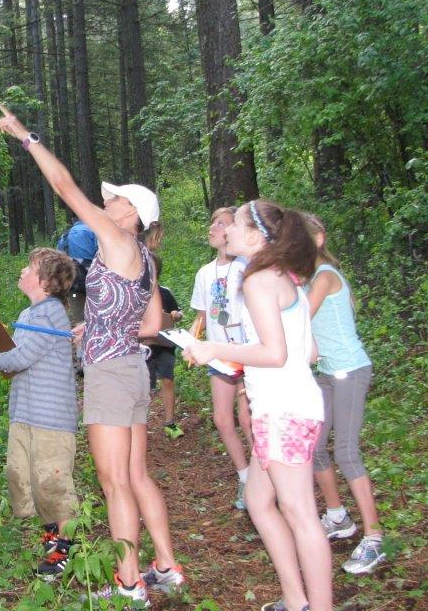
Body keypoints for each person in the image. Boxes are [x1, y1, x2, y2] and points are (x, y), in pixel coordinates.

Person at [0, 105, 184, 607]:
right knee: (138, 475)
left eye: (115, 199)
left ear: (130, 214)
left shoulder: (115, 237)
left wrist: (26, 137)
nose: (108, 202)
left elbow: (65, 187)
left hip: (108, 375)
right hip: (134, 370)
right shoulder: (145, 258)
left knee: (114, 481)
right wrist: (96, 327)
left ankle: (128, 585)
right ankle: (166, 566)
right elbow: (148, 327)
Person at [184, 200, 332, 611]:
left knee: (300, 513)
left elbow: (276, 353)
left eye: (234, 225)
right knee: (258, 501)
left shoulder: (258, 281)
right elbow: (310, 351)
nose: (226, 230)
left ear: (254, 236)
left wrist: (215, 346)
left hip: (284, 411)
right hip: (285, 405)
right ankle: (295, 598)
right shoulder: (283, 277)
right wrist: (234, 358)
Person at [0, 248, 80, 581]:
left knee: (52, 481)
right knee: (23, 476)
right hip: (24, 411)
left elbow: (17, 358)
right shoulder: (29, 313)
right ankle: (51, 537)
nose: (22, 270)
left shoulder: (50, 313)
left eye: (30, 266)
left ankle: (63, 549)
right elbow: (16, 358)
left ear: (44, 280)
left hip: (50, 416)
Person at [304, 213, 386, 575]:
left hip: (350, 371)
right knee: (315, 447)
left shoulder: (324, 277)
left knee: (346, 451)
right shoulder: (308, 279)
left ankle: (374, 537)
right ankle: (338, 517)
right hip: (325, 372)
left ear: (318, 239)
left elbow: (299, 318)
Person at [189, 207, 253, 509]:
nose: (213, 227)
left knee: (248, 418)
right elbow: (201, 316)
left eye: (222, 223)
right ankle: (245, 476)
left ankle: (268, 476)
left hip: (249, 353)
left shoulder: (246, 266)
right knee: (222, 418)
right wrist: (191, 340)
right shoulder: (204, 273)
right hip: (219, 356)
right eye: (212, 222)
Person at [142, 255, 184, 439]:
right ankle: (140, 424)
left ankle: (170, 422)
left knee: (167, 380)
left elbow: (178, 313)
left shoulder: (165, 293)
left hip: (165, 345)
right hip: (145, 349)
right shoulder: (138, 294)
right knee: (144, 387)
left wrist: (175, 315)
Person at [57, 219, 98, 325]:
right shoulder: (94, 231)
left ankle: (81, 329)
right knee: (97, 314)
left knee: (80, 316)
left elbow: (58, 259)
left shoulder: (65, 236)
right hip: (94, 282)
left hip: (74, 285)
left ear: (73, 221)